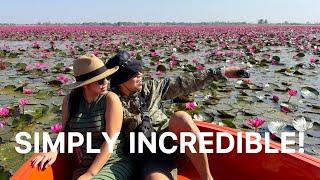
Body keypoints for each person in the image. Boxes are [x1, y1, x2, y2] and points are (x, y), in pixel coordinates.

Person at [105, 51, 247, 180]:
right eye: (134, 74)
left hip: (167, 145)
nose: (140, 75)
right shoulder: (108, 101)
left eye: (139, 71)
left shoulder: (151, 88)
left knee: (181, 117)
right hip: (145, 157)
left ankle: (207, 178)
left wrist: (221, 72)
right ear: (121, 80)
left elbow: (185, 82)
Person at [31, 54, 133, 180]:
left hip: (113, 162)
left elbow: (111, 140)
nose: (106, 83)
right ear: (86, 84)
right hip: (86, 164)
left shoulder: (110, 99)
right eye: (100, 81)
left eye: (107, 78)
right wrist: (53, 150)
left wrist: (90, 174)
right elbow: (65, 133)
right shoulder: (69, 101)